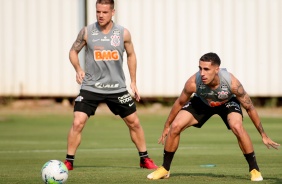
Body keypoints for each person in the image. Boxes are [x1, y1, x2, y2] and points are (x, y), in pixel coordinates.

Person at [147, 52, 280, 181]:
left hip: (227, 102)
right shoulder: (193, 82)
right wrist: (166, 126)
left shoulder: (232, 84)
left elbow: (250, 108)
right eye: (200, 68)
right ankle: (165, 169)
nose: (202, 73)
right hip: (203, 101)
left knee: (237, 126)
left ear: (217, 69)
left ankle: (254, 169)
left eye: (206, 69)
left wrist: (263, 135)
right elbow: (180, 102)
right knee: (175, 126)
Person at [64, 0, 157, 170]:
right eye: (98, 11)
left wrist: (133, 82)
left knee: (134, 123)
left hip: (117, 88)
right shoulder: (87, 32)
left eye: (104, 12)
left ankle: (144, 159)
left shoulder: (123, 33)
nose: (100, 15)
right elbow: (73, 51)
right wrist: (78, 69)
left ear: (112, 12)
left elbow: (131, 55)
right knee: (78, 122)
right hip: (91, 86)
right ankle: (69, 161)